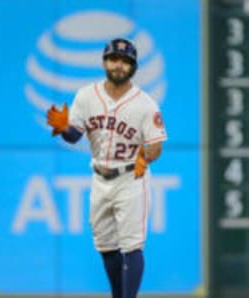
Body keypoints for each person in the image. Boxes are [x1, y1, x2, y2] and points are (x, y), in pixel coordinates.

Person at [47, 38, 167, 298]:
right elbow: (74, 136)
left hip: (131, 177)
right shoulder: (86, 96)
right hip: (100, 177)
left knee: (132, 245)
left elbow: (156, 147)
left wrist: (144, 157)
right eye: (115, 59)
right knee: (105, 245)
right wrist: (64, 127)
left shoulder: (145, 104)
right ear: (104, 62)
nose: (119, 65)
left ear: (133, 67)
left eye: (126, 61)